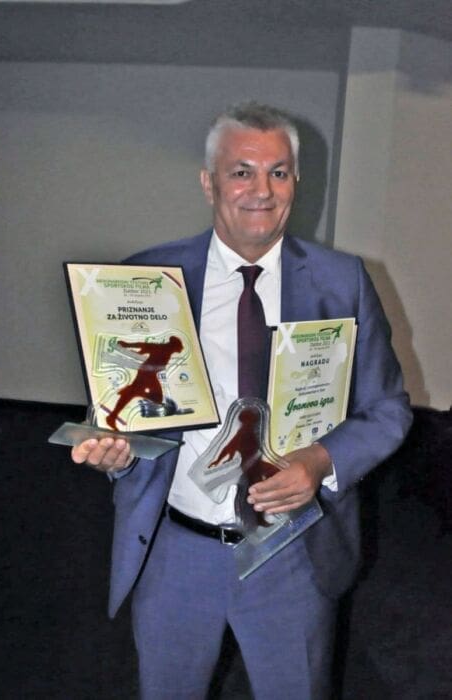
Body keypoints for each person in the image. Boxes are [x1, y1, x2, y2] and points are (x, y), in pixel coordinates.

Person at [71, 102, 412, 699]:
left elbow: (387, 409)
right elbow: (125, 410)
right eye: (241, 172)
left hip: (292, 550)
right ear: (209, 183)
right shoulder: (148, 278)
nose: (261, 190)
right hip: (176, 554)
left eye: (278, 172)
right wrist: (116, 452)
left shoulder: (342, 281)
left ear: (295, 182)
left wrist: (319, 462)